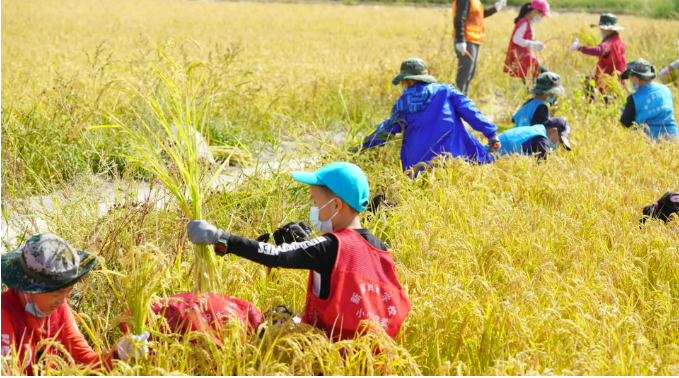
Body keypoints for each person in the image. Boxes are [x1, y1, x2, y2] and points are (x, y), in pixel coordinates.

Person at [186, 162, 411, 341]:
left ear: (336, 205)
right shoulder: (380, 248)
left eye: (315, 201)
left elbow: (275, 254)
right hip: (372, 357)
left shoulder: (331, 245)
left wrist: (220, 238)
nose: (313, 209)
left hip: (329, 357)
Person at [1, 234, 149, 374]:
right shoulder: (4, 316)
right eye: (56, 293)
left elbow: (83, 359)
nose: (62, 300)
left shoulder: (59, 310)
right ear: (29, 288)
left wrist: (117, 356)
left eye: (68, 291)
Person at [357, 58, 499, 176]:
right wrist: (491, 134)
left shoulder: (403, 102)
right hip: (455, 160)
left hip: (418, 168)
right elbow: (471, 112)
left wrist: (362, 148)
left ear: (406, 81)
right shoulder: (446, 91)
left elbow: (386, 131)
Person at [452, 0, 507, 95]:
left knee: (470, 74)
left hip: (475, 40)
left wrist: (494, 9)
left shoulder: (475, 1)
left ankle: (464, 100)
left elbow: (479, 16)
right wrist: (461, 39)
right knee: (464, 74)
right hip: (466, 40)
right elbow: (459, 19)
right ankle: (456, 102)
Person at [570, 14, 627, 99]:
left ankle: (589, 104)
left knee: (607, 102)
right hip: (619, 79)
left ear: (607, 29)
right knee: (588, 80)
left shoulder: (609, 42)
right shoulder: (619, 41)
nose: (601, 30)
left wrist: (579, 48)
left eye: (602, 28)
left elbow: (599, 50)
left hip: (608, 81)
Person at [619, 59, 678, 140]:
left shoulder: (634, 98)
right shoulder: (666, 89)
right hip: (673, 139)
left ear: (635, 77)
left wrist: (624, 110)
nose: (631, 82)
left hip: (649, 142)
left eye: (630, 78)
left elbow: (625, 123)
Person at [503, 0, 552, 81]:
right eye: (542, 16)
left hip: (529, 60)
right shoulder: (524, 22)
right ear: (534, 12)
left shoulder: (528, 22)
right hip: (524, 61)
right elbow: (516, 39)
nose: (541, 18)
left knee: (533, 84)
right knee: (550, 78)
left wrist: (535, 46)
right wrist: (531, 44)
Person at [492, 117, 572, 160]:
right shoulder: (542, 140)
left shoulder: (537, 129)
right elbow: (541, 169)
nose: (559, 144)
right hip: (494, 156)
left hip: (492, 146)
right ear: (554, 131)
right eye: (560, 141)